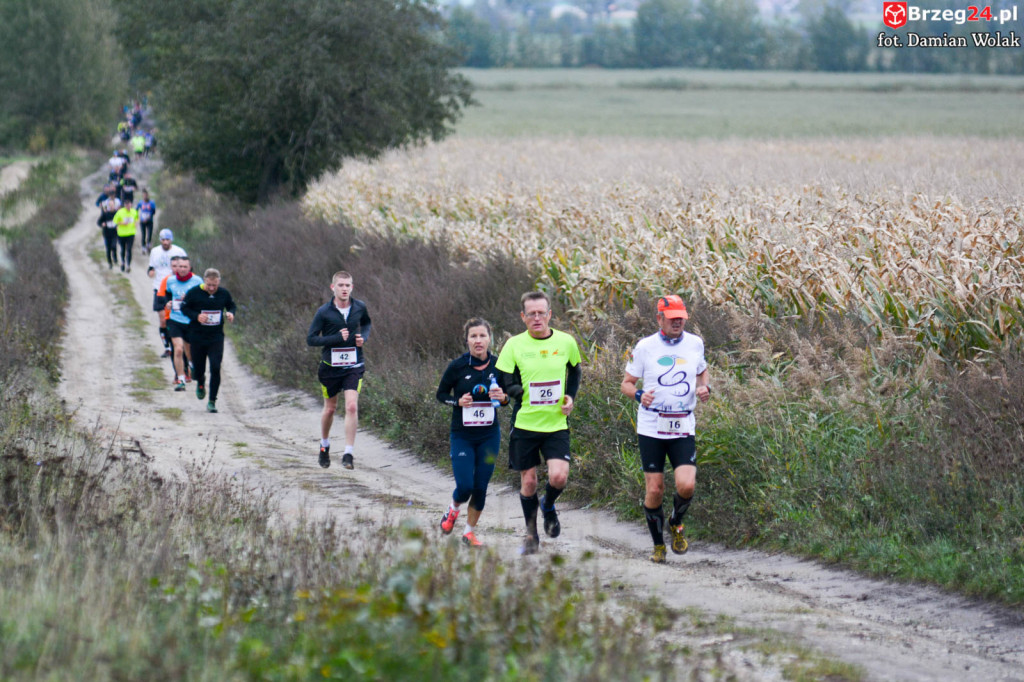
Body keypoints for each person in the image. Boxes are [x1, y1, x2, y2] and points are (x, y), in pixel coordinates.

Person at [620, 295, 711, 564]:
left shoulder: (695, 343)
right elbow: (626, 383)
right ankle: (658, 545)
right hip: (652, 427)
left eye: (681, 317)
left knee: (687, 484)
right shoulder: (646, 347)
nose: (678, 322)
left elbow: (702, 371)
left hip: (683, 424)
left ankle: (675, 522)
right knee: (655, 489)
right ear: (659, 318)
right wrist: (638, 396)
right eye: (672, 318)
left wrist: (704, 387)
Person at [496, 291, 582, 555]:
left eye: (541, 313)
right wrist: (520, 394)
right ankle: (531, 533)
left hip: (556, 425)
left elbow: (575, 370)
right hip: (525, 425)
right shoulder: (513, 345)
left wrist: (570, 396)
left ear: (549, 315)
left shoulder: (566, 342)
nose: (536, 318)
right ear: (523, 317)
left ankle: (548, 505)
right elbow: (504, 381)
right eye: (531, 314)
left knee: (558, 477)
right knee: (529, 482)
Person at [435, 318, 509, 547]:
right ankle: (453, 509)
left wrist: (503, 398)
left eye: (482, 336)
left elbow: (508, 397)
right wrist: (457, 402)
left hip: (489, 436)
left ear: (490, 339)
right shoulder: (457, 367)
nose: (478, 340)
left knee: (481, 486)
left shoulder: (499, 365)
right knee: (465, 486)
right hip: (462, 436)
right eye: (473, 336)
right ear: (466, 340)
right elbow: (441, 395)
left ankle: (469, 532)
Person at [306, 271, 372, 470]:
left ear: (352, 287)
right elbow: (311, 339)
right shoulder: (324, 312)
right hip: (330, 368)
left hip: (354, 365)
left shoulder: (359, 307)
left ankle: (348, 454)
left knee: (351, 406)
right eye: (341, 285)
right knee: (330, 409)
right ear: (332, 287)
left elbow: (367, 323)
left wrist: (363, 337)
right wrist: (335, 338)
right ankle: (324, 445)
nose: (344, 289)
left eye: (348, 285)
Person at [181, 268, 236, 413]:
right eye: (209, 285)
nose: (212, 288)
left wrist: (230, 313)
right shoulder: (194, 292)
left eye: (215, 285)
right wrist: (196, 316)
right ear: (205, 281)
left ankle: (212, 401)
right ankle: (200, 381)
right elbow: (184, 308)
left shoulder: (223, 293)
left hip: (215, 337)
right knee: (198, 370)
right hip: (197, 336)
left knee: (216, 367)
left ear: (219, 282)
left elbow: (231, 305)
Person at [158, 255, 202, 390]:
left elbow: (203, 300)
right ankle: (181, 379)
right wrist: (168, 303)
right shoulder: (170, 281)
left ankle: (192, 365)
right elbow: (165, 296)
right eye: (180, 267)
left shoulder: (197, 281)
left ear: (190, 268)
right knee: (178, 349)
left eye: (185, 267)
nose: (182, 269)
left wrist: (190, 299)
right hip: (175, 320)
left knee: (189, 351)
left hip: (190, 321)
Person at [148, 229, 186, 357]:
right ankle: (167, 347)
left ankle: (179, 344)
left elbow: (187, 266)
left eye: (167, 239)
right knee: (163, 320)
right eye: (163, 240)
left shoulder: (179, 251)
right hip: (159, 288)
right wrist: (150, 272)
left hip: (176, 288)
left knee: (175, 318)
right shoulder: (155, 251)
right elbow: (151, 266)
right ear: (160, 240)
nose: (165, 242)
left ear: (171, 240)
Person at [111, 201, 138, 272]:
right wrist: (122, 223)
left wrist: (136, 223)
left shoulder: (134, 211)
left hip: (131, 233)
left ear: (131, 204)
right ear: (125, 205)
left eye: (129, 204)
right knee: (123, 249)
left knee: (129, 249)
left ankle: (128, 265)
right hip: (122, 234)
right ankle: (123, 262)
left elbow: (136, 218)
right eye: (126, 205)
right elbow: (115, 221)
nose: (128, 206)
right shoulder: (120, 212)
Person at [96, 193, 121, 270]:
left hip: (114, 233)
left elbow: (121, 221)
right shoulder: (105, 214)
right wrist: (102, 224)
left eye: (112, 205)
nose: (111, 206)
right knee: (108, 248)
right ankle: (110, 263)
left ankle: (115, 258)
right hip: (106, 233)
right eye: (110, 205)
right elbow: (98, 222)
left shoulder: (117, 213)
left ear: (114, 205)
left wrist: (119, 225)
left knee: (114, 246)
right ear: (108, 206)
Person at [136, 189, 156, 253]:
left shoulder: (152, 203)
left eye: (146, 195)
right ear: (142, 196)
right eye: (143, 195)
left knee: (149, 234)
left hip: (149, 221)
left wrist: (148, 217)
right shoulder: (140, 203)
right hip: (142, 221)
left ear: (148, 196)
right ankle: (143, 247)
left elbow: (153, 212)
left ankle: (148, 245)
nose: (145, 197)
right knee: (143, 234)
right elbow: (136, 210)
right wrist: (138, 218)